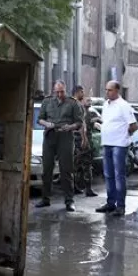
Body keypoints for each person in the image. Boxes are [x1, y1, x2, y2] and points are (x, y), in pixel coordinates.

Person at [36, 80, 84, 212]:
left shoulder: (73, 103)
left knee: (66, 170)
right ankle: (45, 199)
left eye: (61, 92)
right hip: (50, 136)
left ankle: (69, 201)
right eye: (57, 92)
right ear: (53, 91)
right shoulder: (47, 102)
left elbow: (79, 122)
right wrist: (46, 124)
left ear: (65, 90)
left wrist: (70, 127)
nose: (59, 94)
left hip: (65, 137)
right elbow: (39, 119)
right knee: (47, 169)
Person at [96, 81, 138, 217]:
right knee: (108, 175)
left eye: (110, 90)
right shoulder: (105, 105)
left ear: (117, 91)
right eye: (106, 90)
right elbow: (107, 122)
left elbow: (134, 126)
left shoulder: (123, 105)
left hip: (119, 145)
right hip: (106, 143)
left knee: (119, 175)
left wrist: (125, 135)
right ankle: (110, 203)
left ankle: (120, 206)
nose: (107, 92)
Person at [72, 85, 97, 197]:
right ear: (77, 92)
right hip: (79, 139)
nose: (83, 94)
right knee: (84, 165)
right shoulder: (77, 106)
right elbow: (82, 125)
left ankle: (77, 187)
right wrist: (84, 138)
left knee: (77, 165)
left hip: (75, 140)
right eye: (82, 92)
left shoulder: (72, 105)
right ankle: (86, 189)